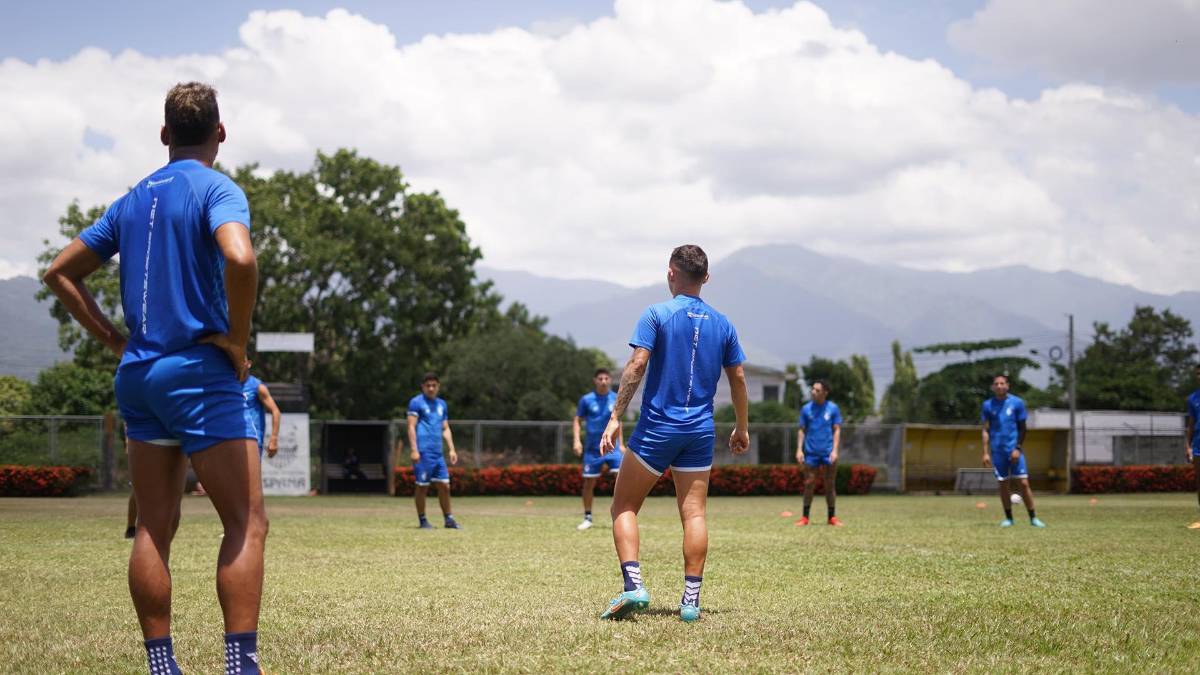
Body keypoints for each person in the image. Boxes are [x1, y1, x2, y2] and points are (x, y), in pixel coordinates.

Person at [43, 82, 267, 674]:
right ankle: (242, 666)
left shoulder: (132, 200)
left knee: (153, 525)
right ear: (220, 133)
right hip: (198, 373)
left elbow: (60, 272)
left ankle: (162, 666)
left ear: (165, 134)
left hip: (138, 375)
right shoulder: (217, 188)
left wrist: (116, 342)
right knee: (246, 522)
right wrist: (237, 341)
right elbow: (240, 257)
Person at [598, 245, 749, 623]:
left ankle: (634, 586)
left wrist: (615, 416)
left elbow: (637, 365)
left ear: (670, 274)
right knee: (694, 513)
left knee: (623, 506)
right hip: (699, 431)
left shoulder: (656, 314)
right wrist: (741, 426)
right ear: (706, 277)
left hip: (658, 428)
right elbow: (738, 378)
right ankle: (690, 602)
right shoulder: (723, 324)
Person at [981, 374, 1045, 528]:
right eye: (996, 383)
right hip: (997, 452)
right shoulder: (987, 405)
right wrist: (985, 452)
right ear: (992, 387)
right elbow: (985, 429)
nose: (999, 386)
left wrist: (1017, 448)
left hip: (1014, 450)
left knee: (1023, 483)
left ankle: (1033, 518)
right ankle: (1009, 519)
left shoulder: (1017, 403)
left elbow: (1023, 429)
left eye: (1002, 383)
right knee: (1003, 484)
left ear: (1007, 385)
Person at [407, 372, 461, 529]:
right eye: (428, 385)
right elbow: (411, 426)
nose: (431, 388)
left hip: (438, 454)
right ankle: (423, 520)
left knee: (444, 485)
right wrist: (414, 450)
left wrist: (451, 449)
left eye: (434, 385)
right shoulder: (416, 403)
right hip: (423, 453)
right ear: (422, 387)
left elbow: (445, 428)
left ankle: (449, 519)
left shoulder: (442, 404)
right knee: (422, 486)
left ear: (438, 387)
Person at [573, 368, 624, 530]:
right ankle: (587, 517)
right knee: (589, 482)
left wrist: (621, 444)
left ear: (610, 380)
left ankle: (621, 516)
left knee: (622, 480)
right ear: (595, 380)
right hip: (592, 449)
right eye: (600, 378)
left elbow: (618, 422)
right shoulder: (586, 400)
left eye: (606, 378)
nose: (603, 381)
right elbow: (577, 420)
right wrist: (577, 441)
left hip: (612, 448)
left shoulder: (616, 398)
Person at [795, 380, 844, 526]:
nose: (813, 392)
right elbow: (801, 430)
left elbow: (837, 430)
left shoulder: (833, 408)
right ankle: (805, 517)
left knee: (830, 485)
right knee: (809, 484)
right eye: (813, 389)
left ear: (825, 393)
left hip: (828, 453)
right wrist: (799, 449)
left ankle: (831, 517)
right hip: (811, 453)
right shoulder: (806, 409)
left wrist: (835, 450)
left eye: (817, 390)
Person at [242, 374, 281, 459]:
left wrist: (274, 438)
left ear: (248, 366)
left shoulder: (257, 386)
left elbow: (275, 411)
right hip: (233, 437)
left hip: (252, 439)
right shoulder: (230, 385)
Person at [1184, 364, 1200, 529]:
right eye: (1198, 374)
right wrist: (1187, 445)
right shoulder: (1192, 398)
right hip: (1198, 443)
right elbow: (1191, 423)